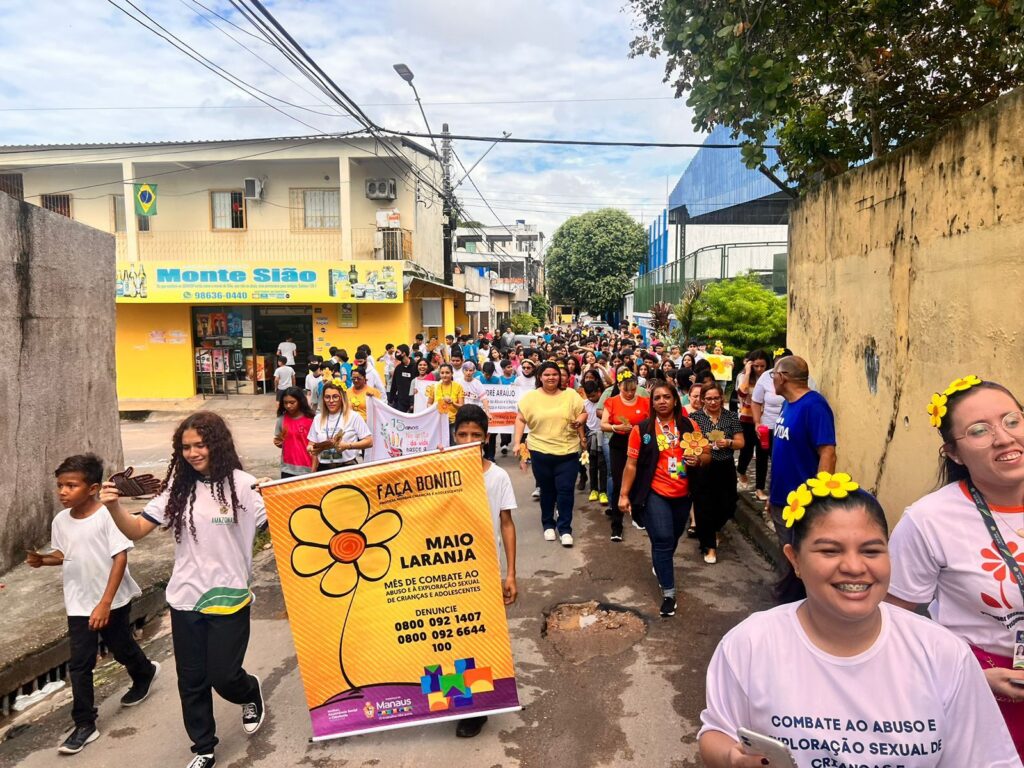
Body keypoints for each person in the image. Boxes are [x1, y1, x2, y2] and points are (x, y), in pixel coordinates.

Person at [698, 474, 1022, 768]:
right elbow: (716, 731)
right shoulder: (751, 643)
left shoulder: (942, 653)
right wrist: (733, 758)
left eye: (871, 551)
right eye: (830, 551)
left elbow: (989, 759)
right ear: (794, 559)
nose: (854, 567)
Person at [101, 412, 268, 768]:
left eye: (200, 444)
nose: (192, 453)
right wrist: (114, 505)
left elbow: (285, 524)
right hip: (185, 598)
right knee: (191, 679)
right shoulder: (178, 487)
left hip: (229, 597)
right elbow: (135, 530)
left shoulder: (244, 486)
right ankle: (204, 748)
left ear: (217, 444)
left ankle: (248, 690)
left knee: (223, 675)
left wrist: (277, 495)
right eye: (186, 447)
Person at [887, 377, 1024, 758]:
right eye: (979, 431)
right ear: (954, 453)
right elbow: (893, 630)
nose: (1003, 438)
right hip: (987, 689)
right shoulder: (929, 521)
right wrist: (974, 681)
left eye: (1012, 420)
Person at [27, 454, 158, 755]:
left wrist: (105, 603)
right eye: (60, 485)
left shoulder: (107, 516)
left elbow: (120, 557)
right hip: (78, 601)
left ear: (92, 488)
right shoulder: (61, 520)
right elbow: (66, 553)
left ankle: (144, 672)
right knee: (80, 663)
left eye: (71, 485)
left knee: (121, 646)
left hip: (110, 599)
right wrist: (43, 561)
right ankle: (85, 723)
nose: (62, 492)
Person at [449, 405, 518, 738]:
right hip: (446, 572)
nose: (468, 440)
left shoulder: (498, 477)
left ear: (486, 438)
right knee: (449, 639)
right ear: (453, 436)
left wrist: (511, 573)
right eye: (462, 434)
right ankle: (456, 698)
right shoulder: (439, 471)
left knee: (479, 640)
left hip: (486, 570)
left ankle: (477, 709)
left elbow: (507, 524)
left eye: (475, 435)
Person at [618, 382, 707, 617]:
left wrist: (697, 460)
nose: (662, 401)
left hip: (683, 493)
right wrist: (624, 495)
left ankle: (661, 560)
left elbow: (705, 455)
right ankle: (669, 593)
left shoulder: (689, 424)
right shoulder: (642, 430)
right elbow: (631, 464)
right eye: (657, 398)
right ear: (652, 402)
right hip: (654, 493)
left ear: (675, 400)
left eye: (667, 397)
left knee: (672, 537)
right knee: (664, 539)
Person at [512, 361, 586, 546]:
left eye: (554, 374)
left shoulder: (571, 395)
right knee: (547, 491)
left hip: (567, 452)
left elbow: (583, 413)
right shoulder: (530, 398)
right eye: (547, 375)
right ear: (540, 377)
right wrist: (516, 443)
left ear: (561, 376)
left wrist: (578, 421)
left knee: (565, 491)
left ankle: (565, 529)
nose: (551, 377)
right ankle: (548, 525)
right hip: (540, 452)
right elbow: (520, 419)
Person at [767, 356, 836, 550]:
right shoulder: (787, 404)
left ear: (782, 377)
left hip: (803, 503)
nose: (772, 379)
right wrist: (773, 494)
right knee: (788, 556)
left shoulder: (814, 406)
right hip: (782, 498)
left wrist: (817, 499)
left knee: (801, 561)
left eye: (773, 375)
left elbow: (828, 453)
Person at [690, 382, 744, 564]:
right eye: (708, 399)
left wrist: (728, 442)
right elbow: (688, 442)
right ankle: (709, 546)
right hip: (703, 467)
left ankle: (714, 529)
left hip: (725, 466)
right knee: (704, 505)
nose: (713, 402)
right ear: (702, 400)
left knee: (728, 504)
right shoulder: (694, 418)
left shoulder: (730, 417)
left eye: (716, 398)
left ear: (722, 398)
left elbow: (740, 442)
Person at [602, 369, 651, 541]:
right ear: (619, 386)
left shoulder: (645, 402)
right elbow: (604, 424)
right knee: (618, 482)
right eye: (625, 389)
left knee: (639, 480)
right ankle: (616, 525)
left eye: (633, 389)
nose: (629, 393)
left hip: (640, 444)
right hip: (619, 444)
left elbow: (652, 422)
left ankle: (637, 514)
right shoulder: (612, 401)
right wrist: (617, 428)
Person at [307, 381, 372, 470]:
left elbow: (369, 441)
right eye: (327, 397)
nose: (331, 401)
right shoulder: (318, 418)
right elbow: (311, 443)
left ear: (342, 397)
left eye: (335, 397)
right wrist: (311, 448)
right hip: (324, 468)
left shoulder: (353, 416)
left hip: (347, 468)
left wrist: (347, 446)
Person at [735, 351, 770, 490]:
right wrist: (748, 372)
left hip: (765, 421)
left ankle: (760, 489)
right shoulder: (744, 376)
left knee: (762, 455)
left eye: (762, 366)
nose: (760, 369)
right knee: (746, 451)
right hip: (747, 419)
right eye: (756, 366)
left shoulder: (770, 378)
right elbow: (742, 393)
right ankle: (741, 472)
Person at [273, 387, 315, 478]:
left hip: (308, 468)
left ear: (300, 401)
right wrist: (278, 442)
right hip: (287, 468)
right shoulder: (281, 420)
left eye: (292, 402)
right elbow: (279, 440)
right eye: (285, 403)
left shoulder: (311, 420)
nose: (288, 406)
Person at [582, 380, 608, 505]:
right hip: (590, 436)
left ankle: (603, 491)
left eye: (593, 395)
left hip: (603, 436)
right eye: (589, 396)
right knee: (592, 464)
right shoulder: (584, 404)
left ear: (599, 392)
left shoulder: (605, 403)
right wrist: (582, 438)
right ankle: (593, 489)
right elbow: (581, 422)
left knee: (603, 465)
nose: (591, 398)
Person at [427, 363, 464, 442]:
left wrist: (453, 403)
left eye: (447, 373)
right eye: (442, 373)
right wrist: (433, 408)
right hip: (438, 422)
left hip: (453, 422)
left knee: (453, 445)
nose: (444, 375)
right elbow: (429, 403)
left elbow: (461, 406)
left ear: (452, 373)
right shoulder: (434, 387)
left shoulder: (458, 387)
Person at [388, 344, 416, 413]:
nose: (396, 354)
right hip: (401, 403)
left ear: (403, 353)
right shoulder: (398, 368)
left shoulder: (415, 367)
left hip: (413, 403)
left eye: (398, 352)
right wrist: (390, 400)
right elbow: (394, 385)